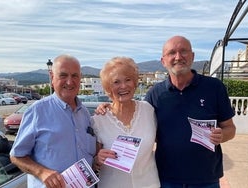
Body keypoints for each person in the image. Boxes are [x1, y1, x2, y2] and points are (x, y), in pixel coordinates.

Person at [96, 36, 236, 188]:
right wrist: (109, 105)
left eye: (183, 51)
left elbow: (230, 128)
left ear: (192, 56)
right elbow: (130, 111)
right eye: (172, 53)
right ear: (163, 61)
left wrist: (222, 135)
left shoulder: (214, 87)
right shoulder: (155, 94)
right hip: (166, 179)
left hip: (206, 178)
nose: (178, 57)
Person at [10, 54, 96, 188]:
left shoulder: (84, 113)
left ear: (80, 78)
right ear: (52, 77)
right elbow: (16, 156)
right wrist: (42, 172)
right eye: (63, 75)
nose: (69, 81)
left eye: (75, 76)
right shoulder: (37, 111)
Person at [92, 57, 160, 188]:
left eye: (128, 80)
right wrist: (97, 160)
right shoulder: (98, 120)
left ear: (135, 83)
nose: (123, 86)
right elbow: (94, 161)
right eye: (116, 82)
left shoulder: (148, 110)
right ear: (108, 88)